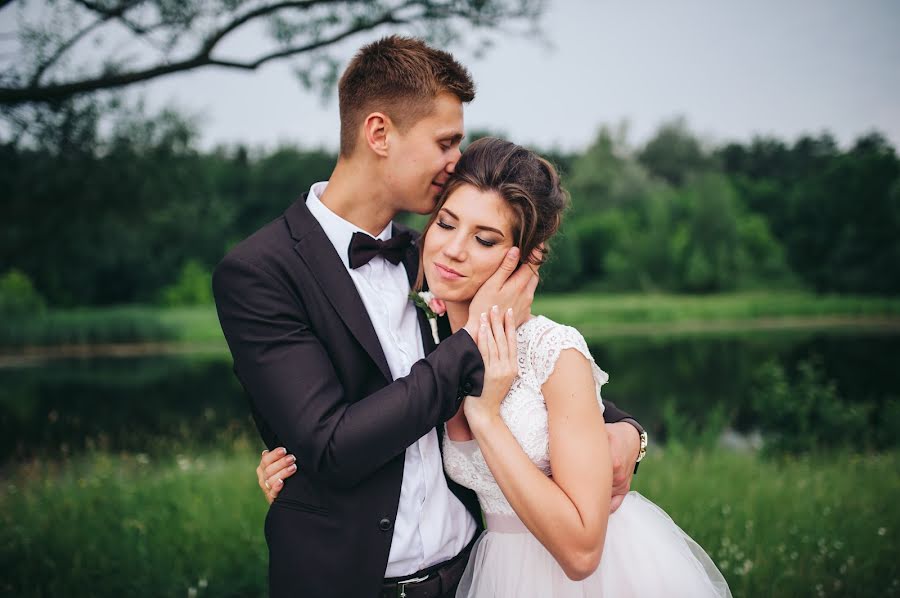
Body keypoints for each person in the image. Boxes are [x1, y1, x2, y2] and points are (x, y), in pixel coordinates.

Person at [215, 37, 645, 598]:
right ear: (379, 134)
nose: (455, 162)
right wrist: (468, 343)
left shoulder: (435, 258)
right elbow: (330, 447)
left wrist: (629, 433)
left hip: (471, 577)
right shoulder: (260, 272)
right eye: (446, 142)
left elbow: (545, 375)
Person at [261, 137, 732, 597]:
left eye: (484, 239)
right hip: (492, 574)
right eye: (446, 224)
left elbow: (583, 552)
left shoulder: (552, 349)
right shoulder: (426, 338)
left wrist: (490, 419)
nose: (453, 249)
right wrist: (303, 475)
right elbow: (354, 424)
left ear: (525, 260)